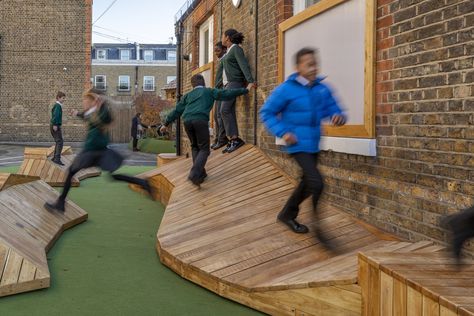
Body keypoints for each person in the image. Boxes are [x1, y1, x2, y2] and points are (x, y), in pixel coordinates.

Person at [260, 47, 346, 250]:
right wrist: (283, 132)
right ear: (298, 67)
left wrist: (338, 116)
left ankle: (287, 214)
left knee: (307, 184)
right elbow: (267, 112)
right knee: (317, 183)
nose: (314, 67)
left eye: (315, 63)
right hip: (297, 144)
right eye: (309, 64)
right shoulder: (286, 89)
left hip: (314, 143)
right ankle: (319, 229)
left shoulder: (322, 89)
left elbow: (334, 109)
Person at [44, 88, 152, 213]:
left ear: (94, 99)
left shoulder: (103, 110)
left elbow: (105, 119)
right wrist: (76, 113)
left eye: (86, 99)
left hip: (95, 151)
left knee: (73, 172)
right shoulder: (92, 110)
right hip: (93, 150)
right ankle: (142, 182)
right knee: (104, 175)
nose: (84, 102)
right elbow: (86, 116)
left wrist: (99, 104)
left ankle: (60, 203)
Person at [160, 74, 251, 186]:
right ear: (203, 82)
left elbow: (177, 111)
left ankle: (201, 174)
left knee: (195, 147)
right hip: (200, 121)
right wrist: (245, 90)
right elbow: (227, 94)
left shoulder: (187, 96)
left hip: (187, 122)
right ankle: (194, 173)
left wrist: (166, 123)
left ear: (193, 85)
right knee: (204, 149)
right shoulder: (209, 91)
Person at [217, 29, 256, 154]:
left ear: (227, 37)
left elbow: (243, 64)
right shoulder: (229, 51)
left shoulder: (236, 49)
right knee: (228, 110)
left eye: (223, 36)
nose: (222, 38)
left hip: (235, 83)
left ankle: (235, 139)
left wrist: (250, 81)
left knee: (224, 110)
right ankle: (233, 139)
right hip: (228, 84)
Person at [211, 42, 229, 150]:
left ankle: (222, 139)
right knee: (216, 116)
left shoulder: (226, 60)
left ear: (224, 50)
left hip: (222, 90)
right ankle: (217, 138)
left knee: (220, 115)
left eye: (218, 50)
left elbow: (226, 76)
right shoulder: (221, 60)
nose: (216, 53)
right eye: (215, 51)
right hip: (217, 91)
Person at [50, 91, 66, 165]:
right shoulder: (58, 106)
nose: (64, 99)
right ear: (58, 98)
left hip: (54, 125)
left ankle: (55, 157)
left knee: (58, 141)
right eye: (63, 98)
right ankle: (57, 159)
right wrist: (55, 125)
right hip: (55, 125)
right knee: (60, 142)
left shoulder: (57, 105)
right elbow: (55, 115)